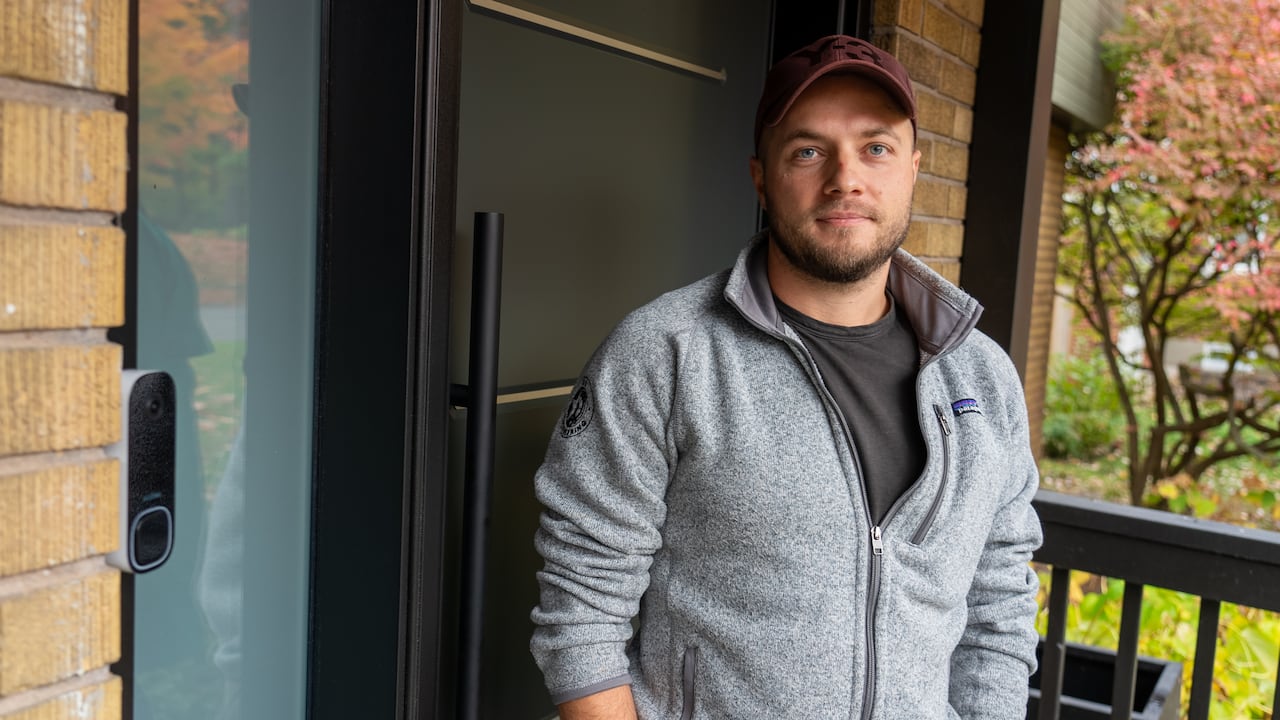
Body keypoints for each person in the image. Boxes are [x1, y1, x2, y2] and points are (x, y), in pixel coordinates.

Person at [529, 35, 1042, 720]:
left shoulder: (981, 374)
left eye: (876, 147)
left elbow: (999, 601)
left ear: (914, 168)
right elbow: (581, 615)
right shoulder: (665, 354)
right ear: (761, 177)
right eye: (807, 151)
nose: (845, 179)